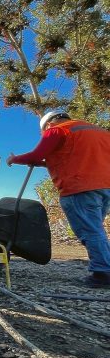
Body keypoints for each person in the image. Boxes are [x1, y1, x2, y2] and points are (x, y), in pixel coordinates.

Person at [7, 111, 110, 289]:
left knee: (90, 231)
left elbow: (35, 155)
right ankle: (104, 267)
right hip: (105, 187)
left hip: (79, 188)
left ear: (47, 125)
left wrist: (14, 159)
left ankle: (103, 273)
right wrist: (41, 163)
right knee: (95, 229)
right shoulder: (99, 132)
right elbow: (72, 158)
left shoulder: (56, 131)